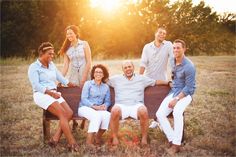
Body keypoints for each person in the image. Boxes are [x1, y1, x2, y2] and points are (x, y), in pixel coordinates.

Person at [28, 42, 79, 152]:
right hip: (42, 94)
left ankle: (55, 138)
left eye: (53, 54)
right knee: (62, 113)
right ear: (42, 53)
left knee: (69, 113)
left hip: (54, 93)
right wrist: (51, 93)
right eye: (49, 54)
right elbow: (36, 85)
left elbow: (60, 77)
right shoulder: (34, 67)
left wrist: (69, 83)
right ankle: (72, 143)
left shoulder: (51, 65)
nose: (52, 56)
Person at [108, 60, 169, 146]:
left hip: (136, 105)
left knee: (143, 110)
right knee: (114, 110)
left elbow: (155, 82)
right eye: (125, 68)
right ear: (122, 70)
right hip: (121, 105)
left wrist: (168, 82)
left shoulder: (141, 78)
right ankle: (114, 137)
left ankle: (144, 138)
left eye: (129, 67)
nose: (128, 69)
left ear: (133, 68)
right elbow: (103, 80)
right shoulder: (116, 79)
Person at [156, 39, 196, 154]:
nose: (175, 50)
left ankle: (176, 144)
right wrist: (171, 82)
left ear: (184, 49)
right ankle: (172, 138)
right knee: (160, 114)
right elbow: (174, 75)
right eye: (174, 48)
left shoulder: (189, 66)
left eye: (178, 48)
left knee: (177, 112)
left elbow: (190, 88)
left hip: (185, 94)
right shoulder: (173, 61)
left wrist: (177, 99)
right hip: (173, 92)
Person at [58, 25, 92, 129]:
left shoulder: (84, 44)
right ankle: (74, 121)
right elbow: (66, 65)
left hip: (85, 73)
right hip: (73, 75)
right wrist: (60, 79)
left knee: (86, 96)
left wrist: (84, 77)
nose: (69, 35)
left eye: (71, 33)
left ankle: (84, 120)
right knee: (73, 97)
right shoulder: (66, 48)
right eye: (67, 34)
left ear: (76, 33)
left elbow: (89, 61)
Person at [139, 27, 173, 129]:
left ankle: (160, 121)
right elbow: (143, 63)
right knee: (149, 99)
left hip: (162, 78)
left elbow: (172, 61)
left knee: (161, 100)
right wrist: (139, 78)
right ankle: (155, 120)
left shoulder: (168, 45)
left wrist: (172, 77)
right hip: (148, 78)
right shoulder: (147, 47)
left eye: (164, 33)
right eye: (160, 32)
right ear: (155, 33)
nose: (162, 34)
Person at [78, 64, 111, 147]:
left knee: (108, 115)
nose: (98, 74)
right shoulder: (88, 84)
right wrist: (94, 106)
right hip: (84, 108)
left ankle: (97, 137)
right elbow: (84, 99)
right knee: (96, 116)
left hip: (99, 109)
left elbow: (108, 101)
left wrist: (105, 106)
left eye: (100, 72)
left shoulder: (106, 87)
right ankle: (88, 143)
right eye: (96, 72)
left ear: (103, 75)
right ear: (93, 74)